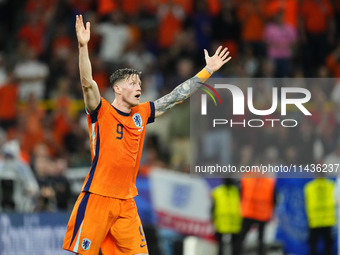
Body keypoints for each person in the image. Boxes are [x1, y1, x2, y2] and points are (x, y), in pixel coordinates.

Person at [63, 14, 231, 255]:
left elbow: (176, 96)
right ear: (118, 89)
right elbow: (87, 83)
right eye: (133, 83)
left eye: (140, 83)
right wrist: (83, 46)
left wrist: (207, 71)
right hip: (98, 196)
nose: (139, 87)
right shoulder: (101, 111)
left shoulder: (142, 113)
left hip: (127, 202)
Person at [304, 174, 336, 255]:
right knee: (328, 247)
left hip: (314, 220)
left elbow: (306, 201)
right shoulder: (331, 185)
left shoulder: (309, 186)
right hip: (327, 220)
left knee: (313, 246)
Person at [211, 178, 242, 255]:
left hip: (231, 223)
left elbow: (212, 208)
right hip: (226, 222)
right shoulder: (236, 191)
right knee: (222, 245)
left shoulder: (218, 191)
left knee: (234, 246)